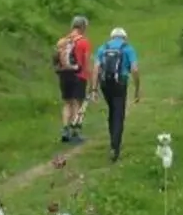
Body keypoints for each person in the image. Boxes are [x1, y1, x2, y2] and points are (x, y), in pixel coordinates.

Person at [93, 27, 144, 162]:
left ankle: (113, 141)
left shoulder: (102, 48)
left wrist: (94, 89)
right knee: (119, 112)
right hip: (120, 83)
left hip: (105, 84)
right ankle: (115, 147)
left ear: (111, 37)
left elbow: (96, 68)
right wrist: (137, 88)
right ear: (125, 37)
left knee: (112, 110)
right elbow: (134, 69)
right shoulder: (128, 49)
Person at [54, 16, 94, 144]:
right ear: (83, 27)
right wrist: (91, 79)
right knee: (77, 103)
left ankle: (65, 130)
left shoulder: (63, 41)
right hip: (78, 75)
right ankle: (75, 132)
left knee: (67, 103)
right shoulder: (84, 42)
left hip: (64, 74)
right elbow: (86, 63)